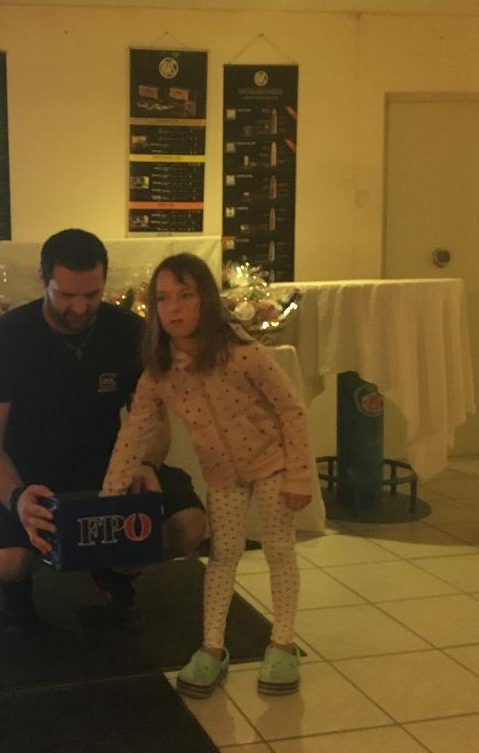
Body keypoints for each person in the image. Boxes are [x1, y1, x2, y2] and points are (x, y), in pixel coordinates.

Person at [0, 228, 207, 631]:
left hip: (109, 467)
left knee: (189, 526)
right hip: (30, 476)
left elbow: (153, 418)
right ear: (43, 280)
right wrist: (18, 498)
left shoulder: (128, 331)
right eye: (66, 295)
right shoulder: (5, 339)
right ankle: (17, 589)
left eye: (92, 295)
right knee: (8, 561)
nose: (79, 307)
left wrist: (145, 464)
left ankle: (115, 569)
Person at [101, 252, 313, 698]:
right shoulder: (160, 370)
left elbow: (291, 410)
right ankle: (213, 647)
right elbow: (134, 432)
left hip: (272, 464)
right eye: (163, 298)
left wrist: (299, 476)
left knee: (278, 550)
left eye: (185, 295)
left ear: (207, 300)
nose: (173, 308)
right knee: (222, 556)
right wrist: (111, 496)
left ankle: (282, 643)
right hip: (222, 477)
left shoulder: (243, 353)